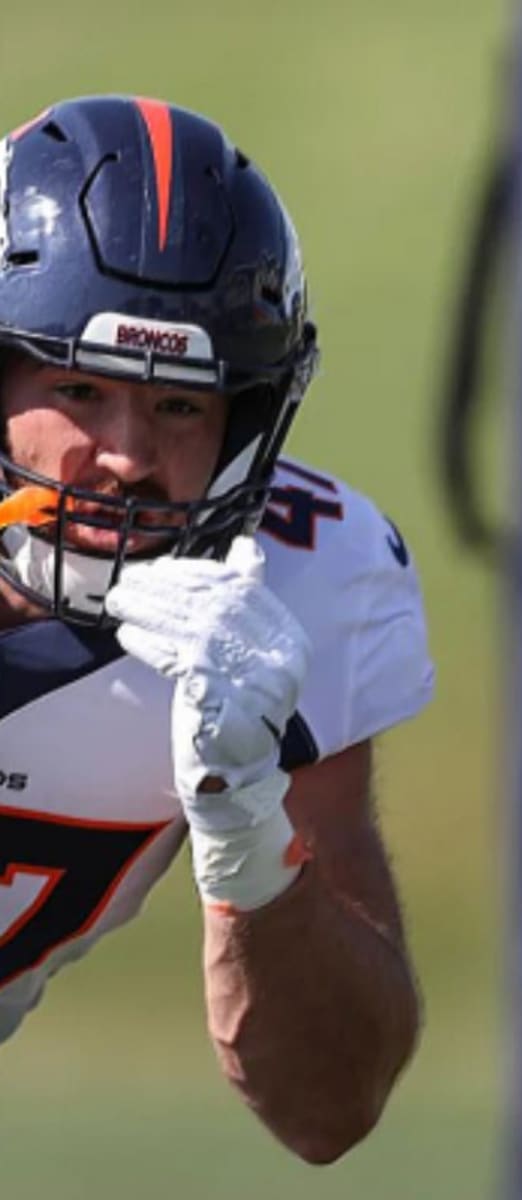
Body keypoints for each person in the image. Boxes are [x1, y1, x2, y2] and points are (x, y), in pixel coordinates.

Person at [0, 95, 432, 1164]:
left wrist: (251, 834)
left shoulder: (294, 590)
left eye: (181, 405)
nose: (127, 455)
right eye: (78, 388)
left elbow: (330, 1107)